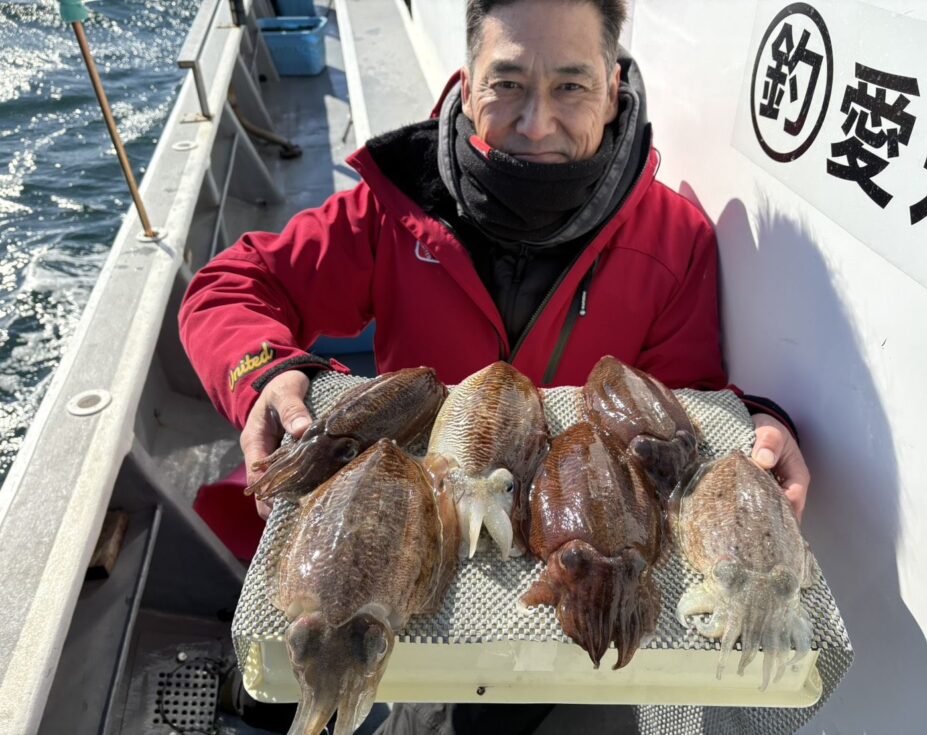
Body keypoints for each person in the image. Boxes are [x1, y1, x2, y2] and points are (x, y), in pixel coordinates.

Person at [179, 0, 809, 731]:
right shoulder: (395, 207)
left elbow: (680, 406)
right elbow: (232, 286)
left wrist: (753, 423)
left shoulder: (675, 240)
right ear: (468, 79)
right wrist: (263, 371)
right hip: (405, 512)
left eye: (571, 86)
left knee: (503, 713)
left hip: (563, 548)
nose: (536, 124)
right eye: (507, 84)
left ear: (613, 87)